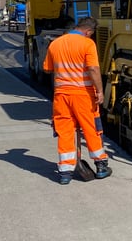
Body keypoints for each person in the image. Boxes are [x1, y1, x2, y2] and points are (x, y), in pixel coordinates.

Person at [43, 17, 112, 184]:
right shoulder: (87, 44)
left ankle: (65, 173)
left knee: (65, 132)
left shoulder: (55, 44)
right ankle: (101, 165)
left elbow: (47, 69)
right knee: (91, 129)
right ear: (88, 32)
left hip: (61, 96)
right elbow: (93, 69)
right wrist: (100, 91)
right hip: (83, 95)